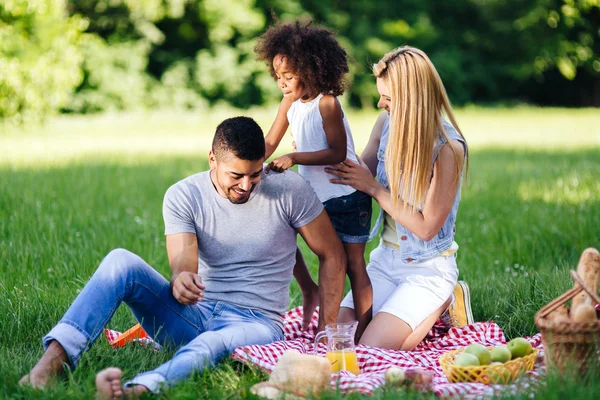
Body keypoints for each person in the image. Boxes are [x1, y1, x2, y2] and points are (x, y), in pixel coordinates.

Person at [19, 117, 346, 398]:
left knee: (214, 342)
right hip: (197, 313)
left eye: (255, 174)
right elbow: (183, 266)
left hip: (257, 323)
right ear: (212, 160)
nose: (246, 185)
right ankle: (47, 369)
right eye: (236, 176)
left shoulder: (289, 189)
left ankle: (137, 391)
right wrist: (182, 281)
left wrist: (328, 327)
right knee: (120, 262)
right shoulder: (184, 195)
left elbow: (331, 254)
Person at [326, 46, 473, 350]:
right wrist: (318, 143)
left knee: (369, 349)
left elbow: (427, 227)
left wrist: (376, 189)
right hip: (384, 261)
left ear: (414, 99)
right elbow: (358, 172)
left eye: (388, 99)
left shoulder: (448, 149)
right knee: (338, 338)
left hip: (427, 270)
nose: (381, 104)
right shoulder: (386, 125)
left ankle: (446, 297)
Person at [254, 19, 373, 339]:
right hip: (316, 198)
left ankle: (363, 332)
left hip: (346, 194)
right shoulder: (290, 103)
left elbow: (336, 152)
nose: (281, 82)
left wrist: (294, 157)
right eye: (277, 76)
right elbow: (269, 142)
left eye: (288, 76)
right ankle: (317, 305)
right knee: (290, 236)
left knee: (352, 265)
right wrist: (246, 161)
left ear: (310, 70)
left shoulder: (327, 103)